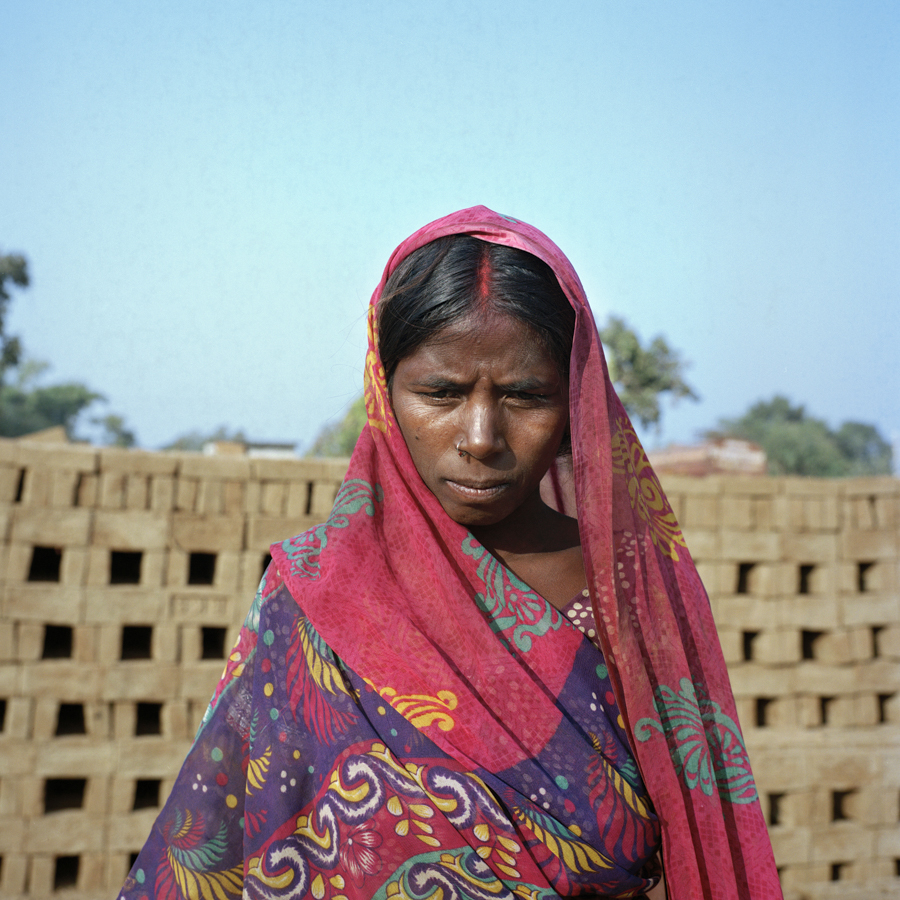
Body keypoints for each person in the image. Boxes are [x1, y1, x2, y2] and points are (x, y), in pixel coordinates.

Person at [119, 207, 781, 899]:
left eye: (525, 396)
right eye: (441, 393)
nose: (481, 435)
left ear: (575, 406)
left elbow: (698, 827)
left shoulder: (630, 592)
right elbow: (212, 844)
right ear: (385, 395)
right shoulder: (317, 593)